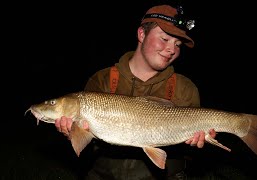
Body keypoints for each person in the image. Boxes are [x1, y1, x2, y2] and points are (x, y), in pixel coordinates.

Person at [55, 4, 217, 180]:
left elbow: (187, 156)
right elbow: (89, 149)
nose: (172, 50)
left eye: (178, 44)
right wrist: (74, 132)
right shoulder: (102, 80)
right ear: (142, 34)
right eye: (164, 39)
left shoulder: (185, 88)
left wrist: (195, 143)